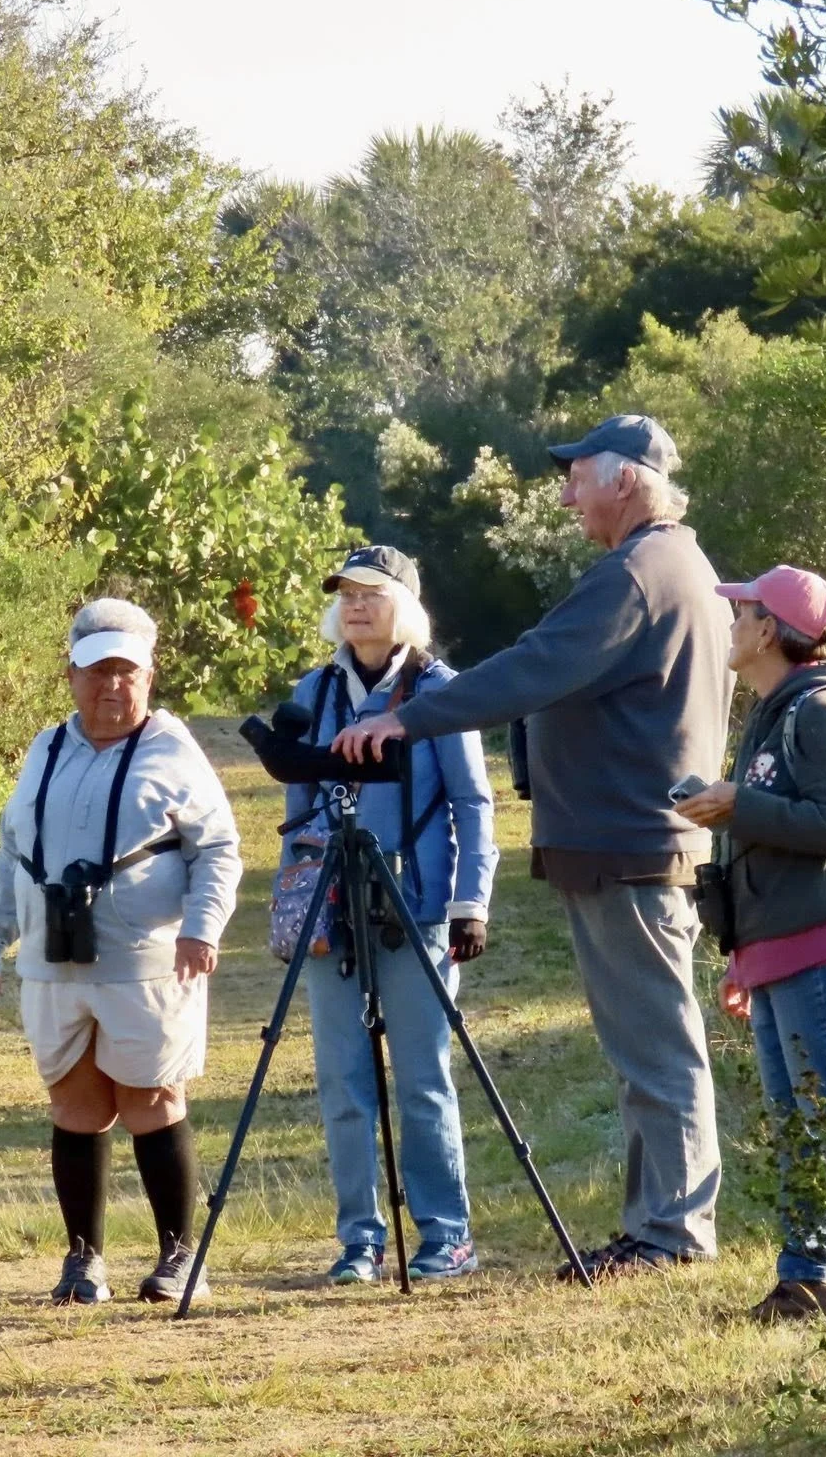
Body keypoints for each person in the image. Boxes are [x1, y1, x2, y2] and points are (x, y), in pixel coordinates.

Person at [335, 415, 732, 1279]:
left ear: (625, 479)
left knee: (656, 1052)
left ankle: (671, 1234)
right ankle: (656, 1226)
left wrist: (409, 715)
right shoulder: (675, 565)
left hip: (630, 847)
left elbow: (533, 667)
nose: (565, 494)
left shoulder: (637, 573)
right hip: (630, 844)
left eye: (577, 475)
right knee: (647, 1052)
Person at [0, 599, 243, 1307]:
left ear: (150, 676)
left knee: (151, 1096)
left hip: (149, 960)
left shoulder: (173, 750)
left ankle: (182, 1257)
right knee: (75, 1102)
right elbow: (12, 854)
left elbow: (218, 849)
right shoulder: (45, 748)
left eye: (126, 671)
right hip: (54, 961)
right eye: (97, 671)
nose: (111, 686)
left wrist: (201, 929)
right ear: (71, 675)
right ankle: (83, 1261)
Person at [673, 565, 826, 1323]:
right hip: (778, 941)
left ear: (769, 630)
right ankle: (807, 1282)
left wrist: (741, 805)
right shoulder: (774, 711)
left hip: (823, 935)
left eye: (743, 614)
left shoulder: (822, 709)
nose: (732, 624)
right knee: (797, 1121)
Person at [283, 545, 499, 1285]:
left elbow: (474, 804)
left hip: (419, 910)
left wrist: (472, 903)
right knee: (343, 1085)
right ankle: (360, 1240)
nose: (356, 605)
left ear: (404, 604)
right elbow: (296, 818)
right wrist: (298, 911)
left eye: (372, 593)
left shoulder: (441, 692)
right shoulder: (313, 693)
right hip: (334, 910)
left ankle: (447, 1235)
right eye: (346, 593)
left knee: (421, 1079)